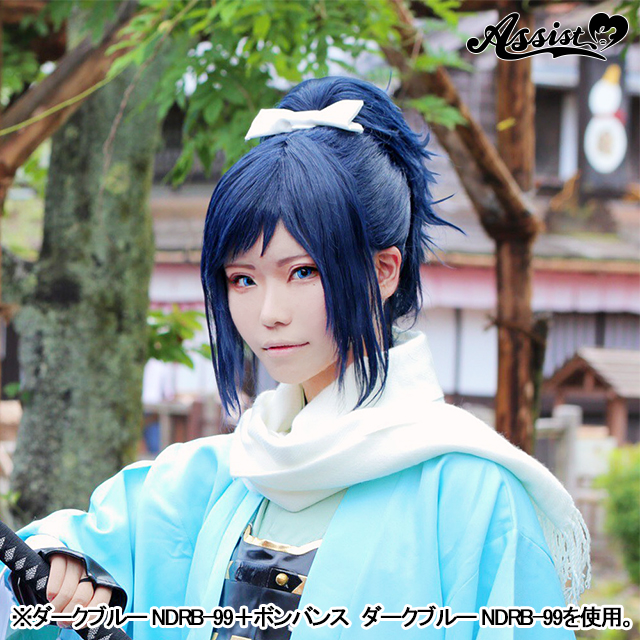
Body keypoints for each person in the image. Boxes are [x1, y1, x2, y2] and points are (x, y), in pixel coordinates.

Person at [1, 76, 590, 640]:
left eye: (302, 272)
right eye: (243, 279)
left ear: (384, 270)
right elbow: (61, 557)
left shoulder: (470, 493)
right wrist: (62, 566)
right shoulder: (212, 479)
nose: (269, 313)